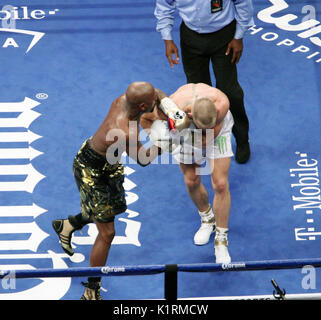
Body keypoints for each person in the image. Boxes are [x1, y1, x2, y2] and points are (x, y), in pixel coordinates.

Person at [52, 81, 188, 299]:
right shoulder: (124, 130)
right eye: (152, 101)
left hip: (109, 164)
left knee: (108, 211)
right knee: (107, 233)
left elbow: (158, 94)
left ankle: (68, 225)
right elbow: (143, 159)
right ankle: (91, 289)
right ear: (143, 106)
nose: (156, 99)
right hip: (90, 171)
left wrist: (172, 109)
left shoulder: (125, 99)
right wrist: (167, 141)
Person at [141, 83, 233, 263]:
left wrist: (178, 137)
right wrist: (159, 139)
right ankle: (207, 219)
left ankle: (221, 240)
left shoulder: (221, 105)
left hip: (216, 133)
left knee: (220, 184)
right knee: (191, 180)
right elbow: (145, 119)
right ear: (190, 116)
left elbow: (205, 141)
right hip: (183, 129)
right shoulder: (171, 109)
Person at [154, 0, 254, 164]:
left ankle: (242, 139)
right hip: (191, 38)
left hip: (224, 37)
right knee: (197, 98)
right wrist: (167, 39)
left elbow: (243, 3)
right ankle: (203, 140)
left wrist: (239, 36)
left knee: (230, 92)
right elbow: (164, 6)